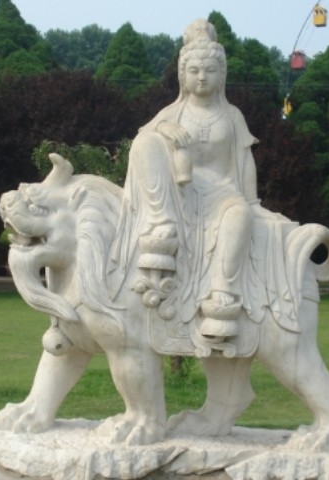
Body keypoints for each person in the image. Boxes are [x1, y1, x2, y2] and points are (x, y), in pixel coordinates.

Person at [110, 19, 260, 342]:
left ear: (221, 74)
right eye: (194, 70)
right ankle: (160, 225)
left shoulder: (232, 116)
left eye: (209, 70)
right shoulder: (173, 113)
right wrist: (163, 129)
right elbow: (143, 141)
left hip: (222, 194)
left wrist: (252, 202)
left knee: (240, 216)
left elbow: (245, 159)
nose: (201, 77)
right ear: (183, 75)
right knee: (146, 142)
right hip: (182, 194)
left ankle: (222, 294)